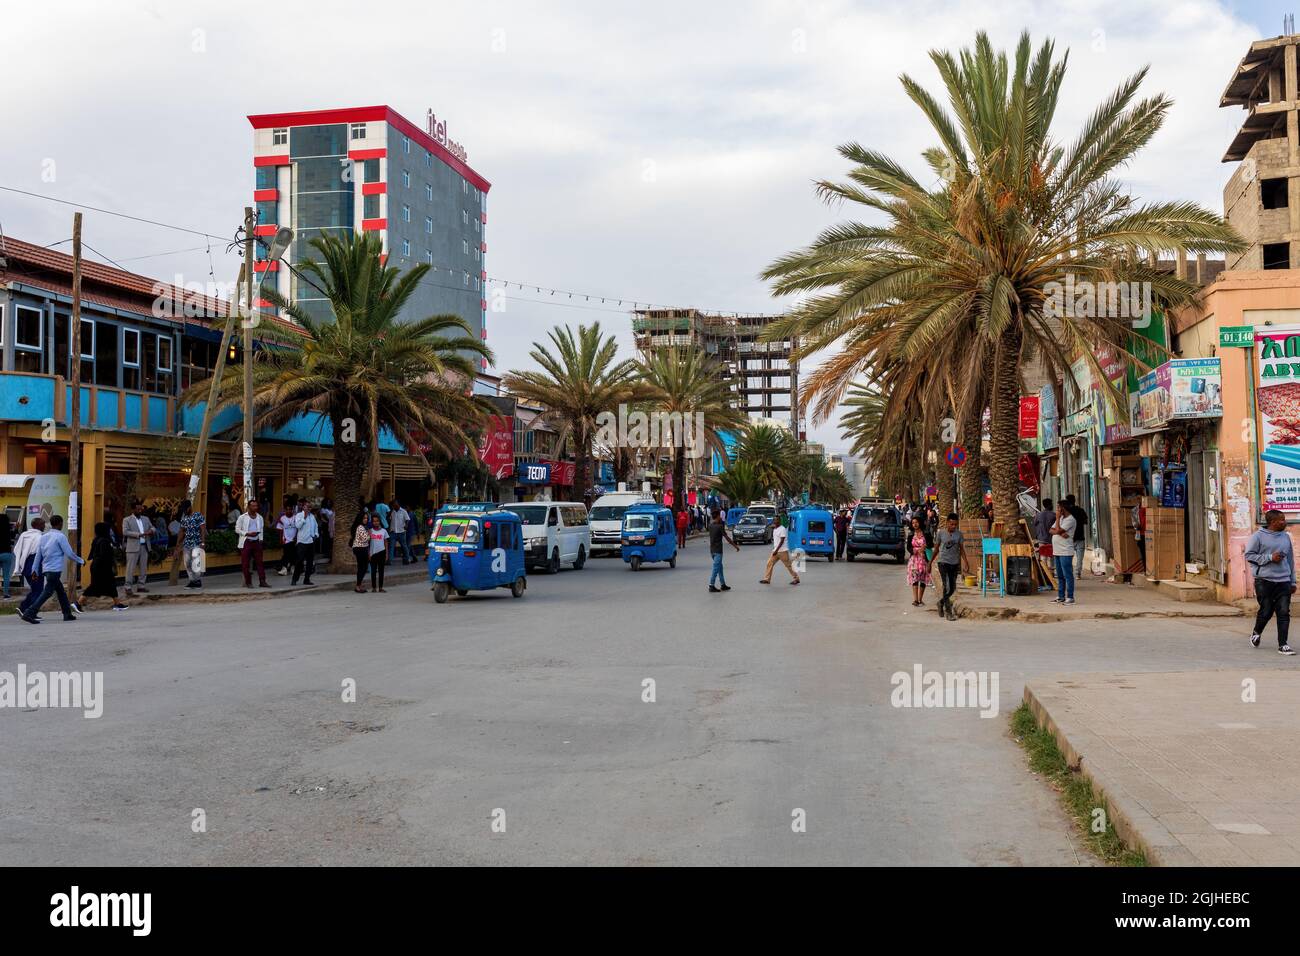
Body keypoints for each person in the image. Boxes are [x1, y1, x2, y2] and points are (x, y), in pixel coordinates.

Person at [1245, 509, 1296, 655]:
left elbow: (1290, 560)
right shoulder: (1258, 537)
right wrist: (1269, 558)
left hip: (1284, 581)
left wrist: (1292, 581)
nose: (1284, 522)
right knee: (1266, 611)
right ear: (1272, 522)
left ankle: (1283, 645)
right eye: (1281, 520)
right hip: (1264, 581)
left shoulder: (1286, 537)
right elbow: (1249, 555)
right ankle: (1256, 632)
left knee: (1283, 612)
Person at [22, 515, 84, 624]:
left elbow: (38, 556)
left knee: (61, 592)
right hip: (55, 570)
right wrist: (81, 561)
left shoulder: (44, 536)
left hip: (46, 570)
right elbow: (69, 553)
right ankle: (29, 612)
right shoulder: (60, 537)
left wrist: (34, 570)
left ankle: (67, 614)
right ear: (60, 523)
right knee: (47, 592)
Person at [930, 512, 970, 621]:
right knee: (946, 586)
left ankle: (940, 602)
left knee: (952, 588)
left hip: (954, 563)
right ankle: (948, 612)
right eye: (951, 524)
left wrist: (966, 562)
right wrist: (930, 562)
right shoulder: (940, 533)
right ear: (947, 523)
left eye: (955, 525)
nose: (953, 527)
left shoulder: (959, 534)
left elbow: (961, 549)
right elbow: (936, 548)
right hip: (943, 562)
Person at [83, 522, 128, 610]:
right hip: (102, 567)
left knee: (111, 585)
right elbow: (104, 556)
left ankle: (117, 604)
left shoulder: (97, 539)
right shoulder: (104, 541)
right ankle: (78, 603)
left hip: (97, 565)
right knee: (94, 586)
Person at [14, 517, 46, 618]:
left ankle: (27, 610)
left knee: (35, 589)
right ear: (37, 525)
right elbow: (39, 553)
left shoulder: (25, 535)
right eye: (43, 524)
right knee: (38, 591)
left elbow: (16, 550)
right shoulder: (40, 537)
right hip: (35, 567)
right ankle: (27, 610)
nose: (44, 526)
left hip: (26, 566)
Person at [236, 499, 271, 589]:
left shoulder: (259, 517)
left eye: (256, 506)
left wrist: (261, 540)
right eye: (253, 506)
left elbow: (261, 529)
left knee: (260, 563)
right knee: (245, 564)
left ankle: (262, 581)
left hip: (256, 541)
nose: (255, 507)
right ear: (249, 507)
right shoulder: (242, 517)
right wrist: (247, 533)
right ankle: (248, 582)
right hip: (246, 541)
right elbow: (237, 529)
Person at [122, 500, 155, 595]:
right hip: (132, 547)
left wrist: (151, 531)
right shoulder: (127, 520)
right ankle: (128, 587)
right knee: (130, 568)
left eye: (141, 509)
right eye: (138, 509)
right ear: (133, 509)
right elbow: (125, 532)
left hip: (144, 546)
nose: (140, 510)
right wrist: (139, 535)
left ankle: (141, 586)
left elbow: (153, 527)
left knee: (143, 568)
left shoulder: (146, 519)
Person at [760, 513, 800, 586]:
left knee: (788, 565)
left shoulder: (782, 529)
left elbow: (782, 541)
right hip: (776, 551)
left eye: (777, 520)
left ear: (780, 521)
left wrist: (776, 550)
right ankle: (767, 579)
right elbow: (771, 527)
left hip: (782, 551)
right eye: (774, 520)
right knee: (769, 563)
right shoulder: (775, 528)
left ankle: (796, 578)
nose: (776, 521)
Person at [1050, 501, 1077, 604]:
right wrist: (1060, 532)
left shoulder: (1070, 519)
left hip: (1065, 551)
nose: (1057, 510)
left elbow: (1057, 530)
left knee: (1067, 575)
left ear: (1063, 509)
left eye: (1058, 508)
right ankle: (1061, 596)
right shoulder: (1061, 519)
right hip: (1057, 551)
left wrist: (1057, 521)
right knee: (1060, 575)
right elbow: (1051, 530)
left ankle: (1070, 597)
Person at [175, 499, 206, 589]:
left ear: (190, 507)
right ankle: (193, 581)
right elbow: (182, 531)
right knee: (187, 563)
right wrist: (178, 544)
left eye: (186, 509)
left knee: (196, 562)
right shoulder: (184, 518)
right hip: (187, 543)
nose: (185, 511)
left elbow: (202, 529)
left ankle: (197, 581)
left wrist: (203, 542)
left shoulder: (198, 515)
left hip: (197, 542)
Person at [707, 508, 739, 593]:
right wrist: (735, 546)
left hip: (712, 551)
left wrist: (720, 522)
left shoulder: (710, 526)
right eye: (720, 516)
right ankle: (711, 585)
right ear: (717, 516)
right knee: (715, 569)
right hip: (718, 551)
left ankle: (723, 584)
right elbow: (727, 538)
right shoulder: (719, 526)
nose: (721, 517)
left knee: (720, 568)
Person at [905, 515, 932, 607]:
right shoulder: (911, 534)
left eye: (916, 522)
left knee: (923, 579)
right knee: (915, 579)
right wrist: (915, 550)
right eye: (913, 523)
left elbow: (931, 544)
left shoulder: (926, 533)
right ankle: (915, 600)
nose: (915, 524)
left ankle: (920, 599)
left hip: (924, 559)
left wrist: (924, 547)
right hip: (914, 560)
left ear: (919, 522)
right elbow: (908, 547)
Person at [292, 500, 319, 586]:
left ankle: (307, 579)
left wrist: (316, 534)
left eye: (310, 507)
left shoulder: (312, 517)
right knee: (299, 561)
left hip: (310, 541)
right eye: (307, 506)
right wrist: (304, 517)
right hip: (302, 542)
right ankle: (294, 579)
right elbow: (298, 526)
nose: (309, 508)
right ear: (303, 507)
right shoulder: (299, 515)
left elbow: (316, 527)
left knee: (310, 562)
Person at [1064, 494, 1088, 579]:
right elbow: (1085, 521)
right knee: (1079, 558)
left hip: (1068, 538)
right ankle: (1078, 574)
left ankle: (1068, 573)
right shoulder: (1080, 510)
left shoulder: (1066, 512)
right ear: (1074, 500)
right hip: (1080, 537)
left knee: (1068, 557)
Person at [368, 513, 389, 593]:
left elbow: (386, 543)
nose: (376, 522)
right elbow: (368, 543)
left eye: (377, 521)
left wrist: (387, 554)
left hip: (382, 553)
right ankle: (374, 587)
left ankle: (380, 587)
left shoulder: (384, 531)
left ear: (380, 521)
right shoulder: (370, 531)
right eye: (374, 521)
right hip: (373, 554)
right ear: (372, 522)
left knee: (381, 571)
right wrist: (368, 553)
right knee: (373, 571)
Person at [351, 514, 372, 593]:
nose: (366, 519)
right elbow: (365, 539)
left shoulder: (362, 527)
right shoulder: (360, 527)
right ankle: (358, 586)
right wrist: (369, 533)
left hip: (361, 548)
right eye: (364, 518)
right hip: (360, 549)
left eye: (367, 518)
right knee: (362, 567)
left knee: (362, 567)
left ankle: (359, 585)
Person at [275, 504, 297, 577]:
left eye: (290, 509)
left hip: (294, 540)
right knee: (287, 554)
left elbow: (299, 528)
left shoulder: (296, 518)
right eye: (287, 509)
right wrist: (281, 540)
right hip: (286, 540)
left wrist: (297, 537)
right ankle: (285, 569)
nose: (288, 511)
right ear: (284, 510)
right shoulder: (282, 518)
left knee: (293, 554)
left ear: (292, 510)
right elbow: (279, 530)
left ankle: (291, 568)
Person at [0, 515, 14, 601]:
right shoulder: (9, 531)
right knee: (6, 576)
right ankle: (6, 594)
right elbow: (16, 535)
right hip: (7, 554)